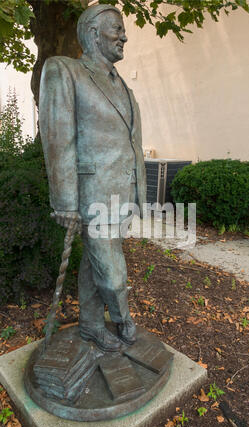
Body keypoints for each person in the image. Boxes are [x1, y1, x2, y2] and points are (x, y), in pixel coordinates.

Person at [39, 3, 147, 352]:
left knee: (93, 264)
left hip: (121, 195)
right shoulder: (64, 71)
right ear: (92, 33)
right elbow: (58, 139)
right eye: (116, 28)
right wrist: (66, 201)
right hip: (90, 195)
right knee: (113, 273)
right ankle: (123, 319)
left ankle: (89, 326)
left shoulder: (126, 91)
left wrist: (140, 192)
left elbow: (133, 145)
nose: (124, 36)